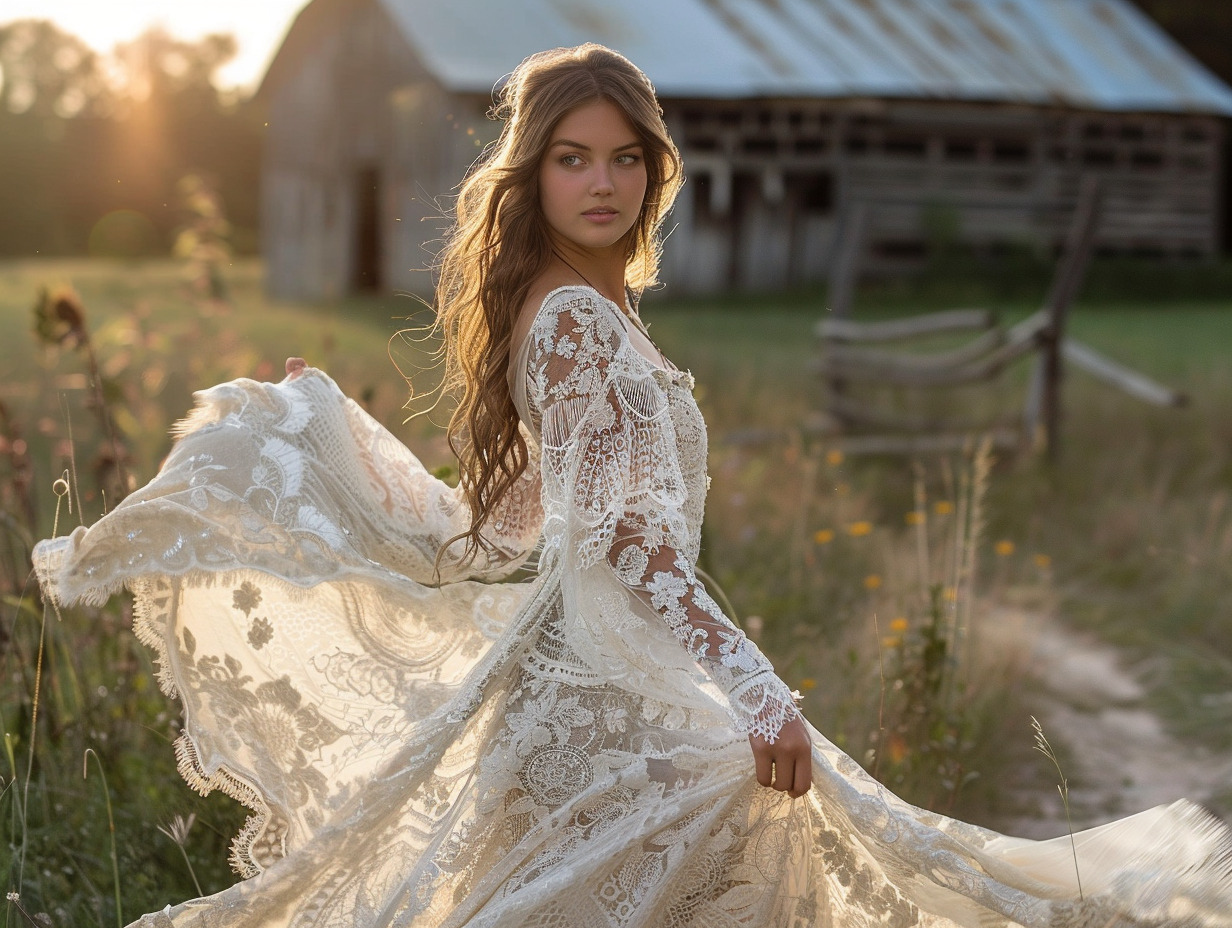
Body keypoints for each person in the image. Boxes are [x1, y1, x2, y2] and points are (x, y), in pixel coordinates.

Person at [35, 44, 1231, 927]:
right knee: (792, 839)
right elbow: (622, 545)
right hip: (599, 691)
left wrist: (348, 448)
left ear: (652, 173)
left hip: (589, 684)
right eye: (570, 159)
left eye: (622, 159)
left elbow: (498, 528)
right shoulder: (571, 321)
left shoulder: (577, 311)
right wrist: (760, 691)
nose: (599, 183)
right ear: (534, 175)